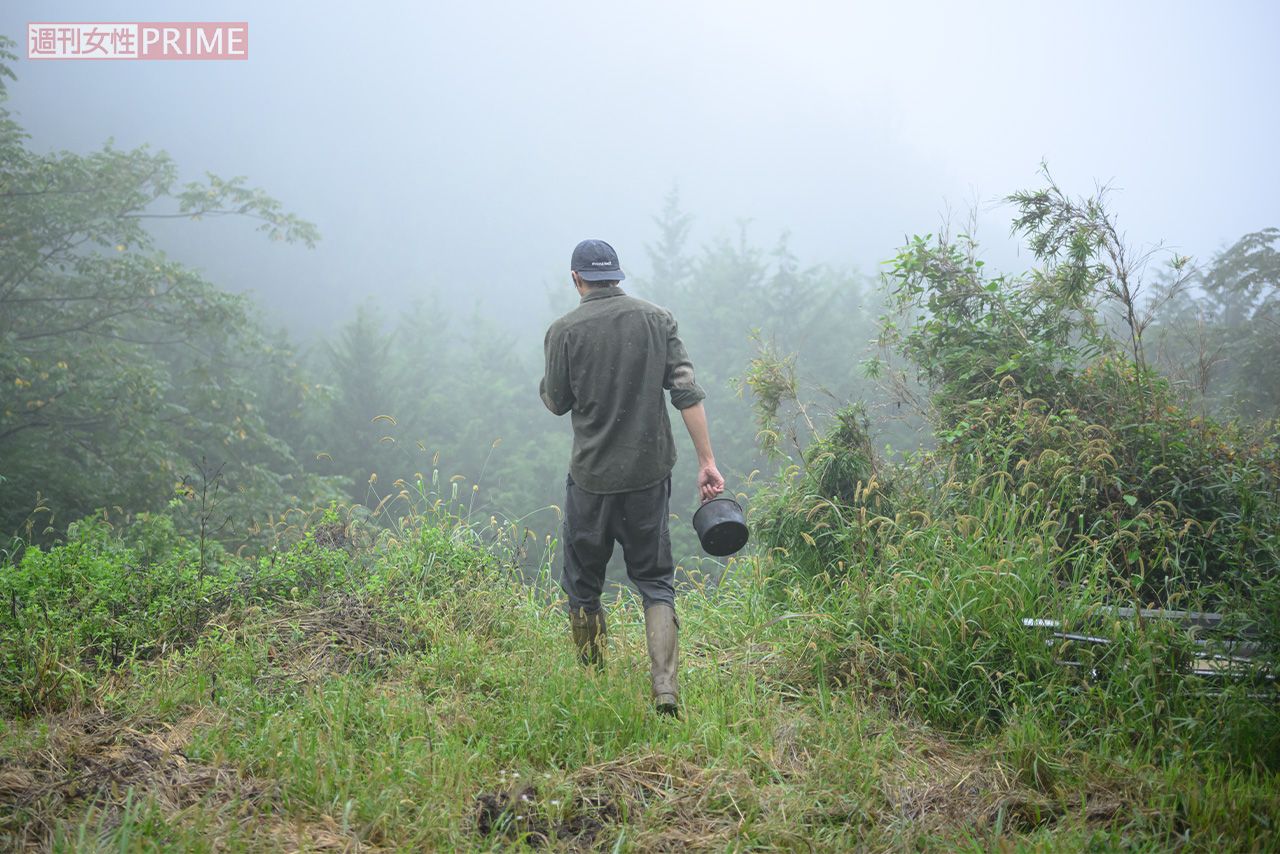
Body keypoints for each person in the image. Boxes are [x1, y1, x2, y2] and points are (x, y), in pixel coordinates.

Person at [540, 238, 724, 716]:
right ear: (617, 276)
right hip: (648, 476)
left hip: (592, 480)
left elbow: (556, 401)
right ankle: (665, 689)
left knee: (584, 586)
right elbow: (686, 392)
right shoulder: (657, 319)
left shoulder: (564, 330)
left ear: (577, 279)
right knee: (655, 581)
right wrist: (707, 461)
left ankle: (593, 683)